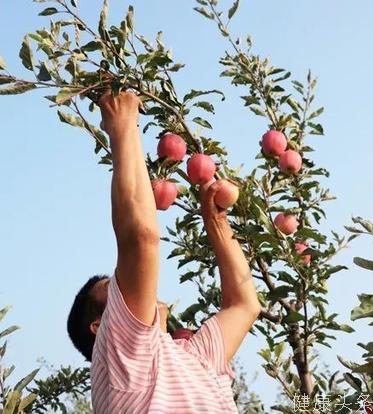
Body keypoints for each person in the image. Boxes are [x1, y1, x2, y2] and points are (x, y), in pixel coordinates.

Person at [66, 90, 261, 413]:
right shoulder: (121, 361)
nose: (126, 283)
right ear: (102, 328)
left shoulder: (194, 358)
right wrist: (122, 124)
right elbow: (140, 239)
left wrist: (216, 221)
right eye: (111, 290)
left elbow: (245, 305)